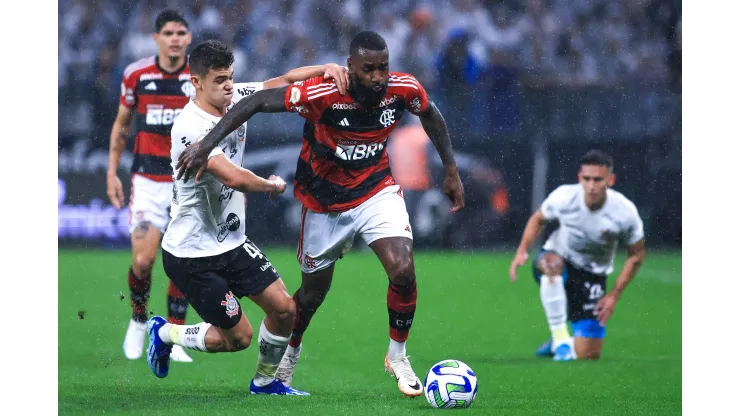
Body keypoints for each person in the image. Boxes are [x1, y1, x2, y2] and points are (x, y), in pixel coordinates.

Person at [174, 31, 466, 398]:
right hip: (323, 205)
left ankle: (398, 355)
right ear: (351, 69)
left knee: (403, 270)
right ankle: (289, 356)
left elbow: (431, 114)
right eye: (369, 69)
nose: (378, 77)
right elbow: (259, 101)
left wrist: (451, 170)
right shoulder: (323, 94)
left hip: (376, 190)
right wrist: (206, 144)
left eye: (384, 68)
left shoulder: (402, 88)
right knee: (310, 296)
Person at [107, 10, 350, 364]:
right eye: (220, 79)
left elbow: (281, 81)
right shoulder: (189, 126)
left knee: (285, 309)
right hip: (193, 254)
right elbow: (232, 177)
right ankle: (164, 332)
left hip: (231, 242)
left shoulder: (235, 97)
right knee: (238, 339)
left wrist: (324, 68)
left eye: (231, 78)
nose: (229, 86)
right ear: (197, 83)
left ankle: (266, 385)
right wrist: (269, 184)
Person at [106, 9, 195, 363]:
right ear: (156, 38)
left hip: (188, 183)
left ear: (189, 38)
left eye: (181, 32)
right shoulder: (137, 74)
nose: (175, 38)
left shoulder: (199, 76)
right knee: (143, 261)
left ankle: (173, 335)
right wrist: (112, 172)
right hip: (147, 182)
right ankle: (139, 319)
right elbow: (122, 126)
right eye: (168, 32)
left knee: (184, 262)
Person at [509, 150, 646, 361]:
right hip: (559, 258)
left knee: (588, 354)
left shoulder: (625, 212)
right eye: (587, 179)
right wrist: (522, 250)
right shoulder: (564, 196)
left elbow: (636, 255)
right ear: (579, 178)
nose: (591, 185)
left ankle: (556, 343)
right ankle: (561, 338)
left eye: (598, 179)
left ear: (611, 179)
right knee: (551, 264)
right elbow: (538, 219)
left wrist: (614, 295)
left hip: (593, 274)